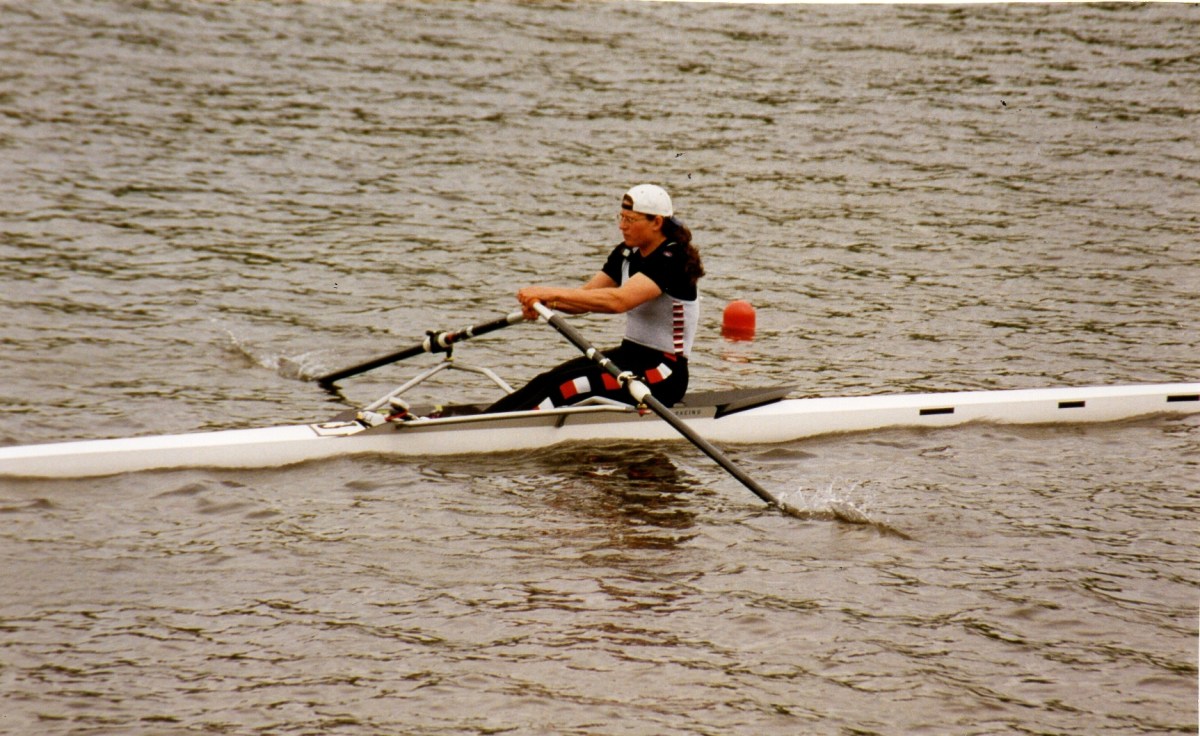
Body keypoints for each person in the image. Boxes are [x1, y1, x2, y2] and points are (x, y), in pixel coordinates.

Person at [486, 184, 704, 413]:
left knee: (570, 386)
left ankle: (508, 431)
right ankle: (485, 420)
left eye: (630, 219)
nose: (622, 226)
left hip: (664, 373)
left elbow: (619, 301)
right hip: (629, 356)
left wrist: (549, 292)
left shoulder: (672, 259)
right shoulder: (627, 253)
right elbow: (586, 297)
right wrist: (546, 304)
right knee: (548, 379)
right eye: (621, 217)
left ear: (656, 222)